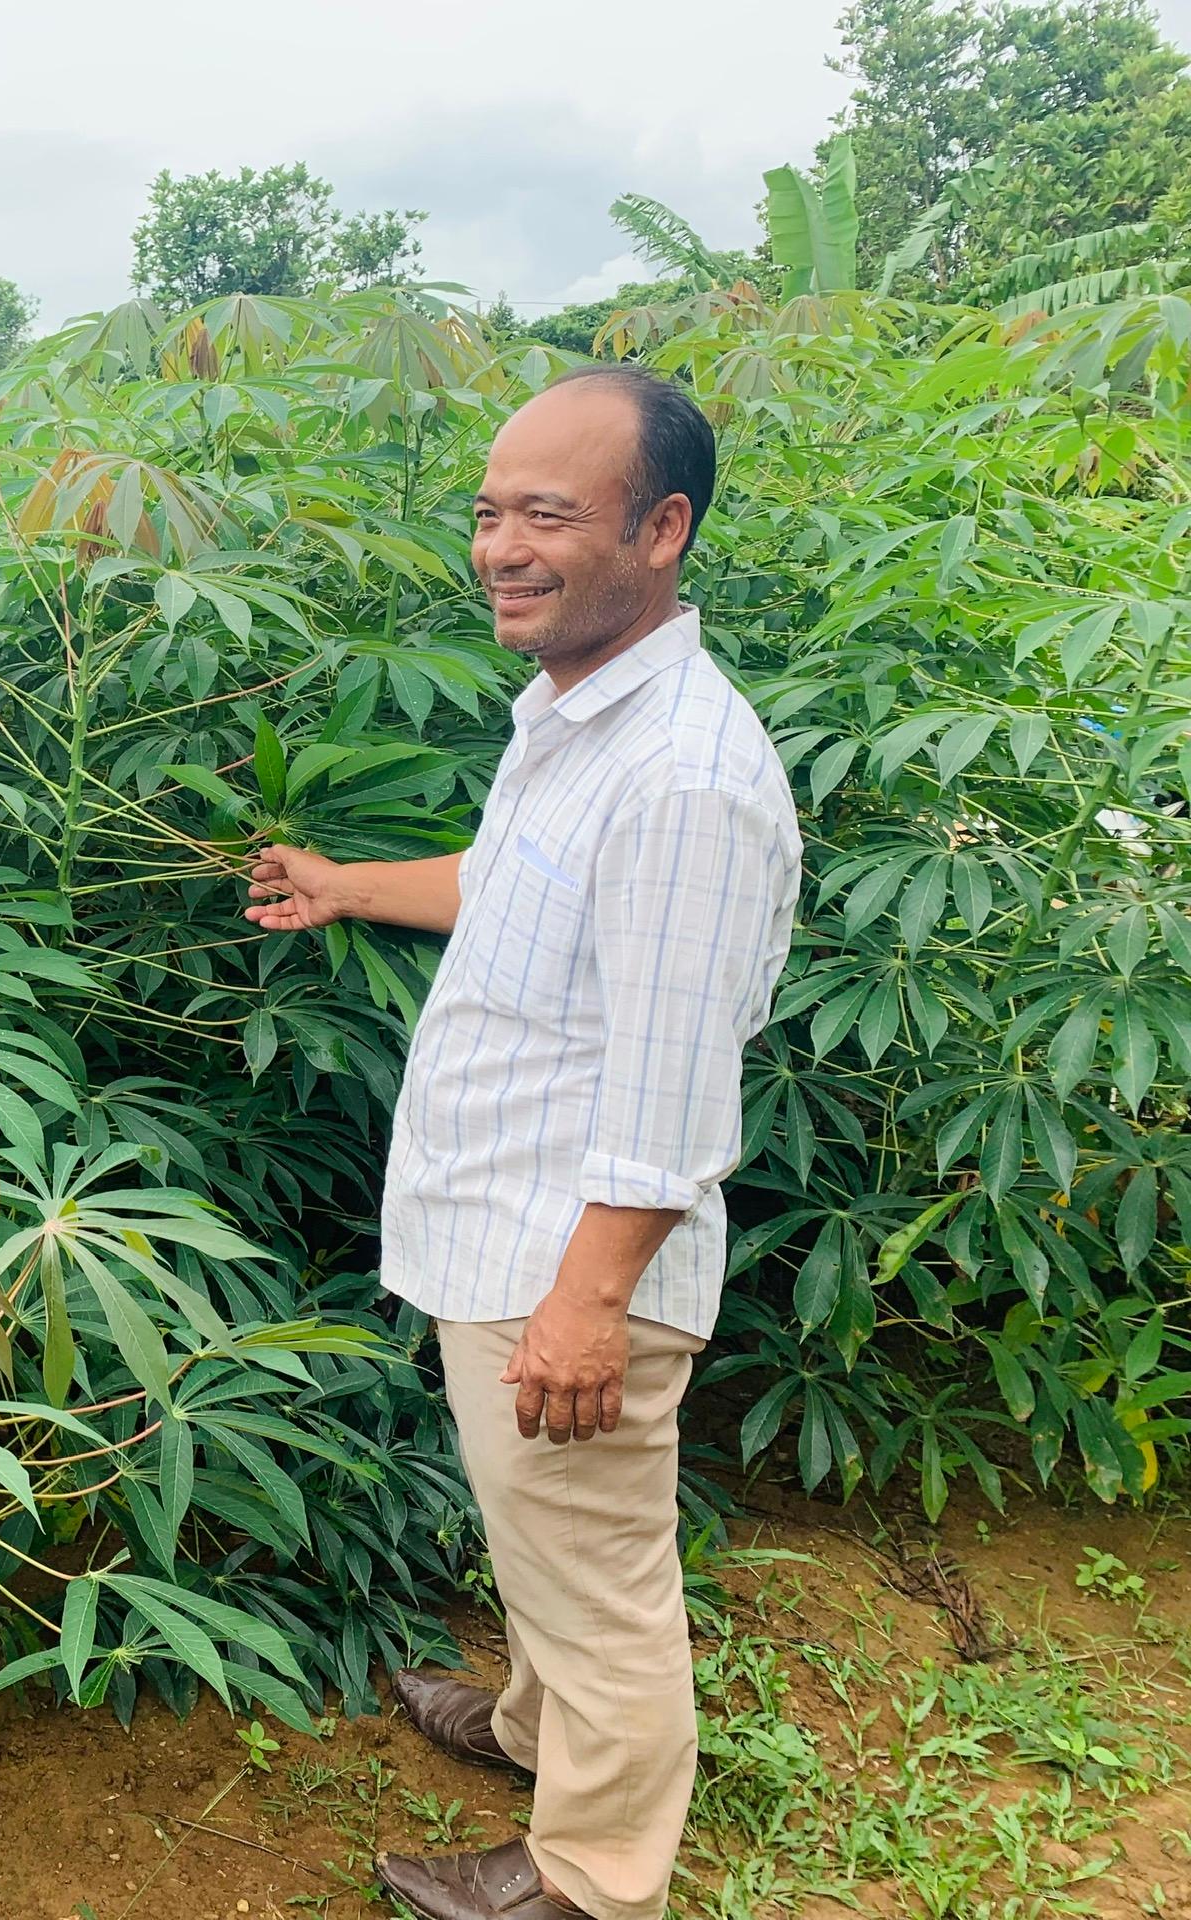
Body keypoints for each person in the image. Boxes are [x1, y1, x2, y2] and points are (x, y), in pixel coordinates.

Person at [243, 367, 800, 1920]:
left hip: (570, 1255)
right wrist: (353, 884)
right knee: (542, 1534)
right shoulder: (576, 715)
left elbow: (675, 1084)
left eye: (549, 513)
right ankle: (531, 1727)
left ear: (663, 527)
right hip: (500, 1226)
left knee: (602, 1572)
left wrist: (589, 1300)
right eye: (491, 512)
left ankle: (593, 1881)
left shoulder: (684, 776)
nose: (503, 544)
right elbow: (509, 885)